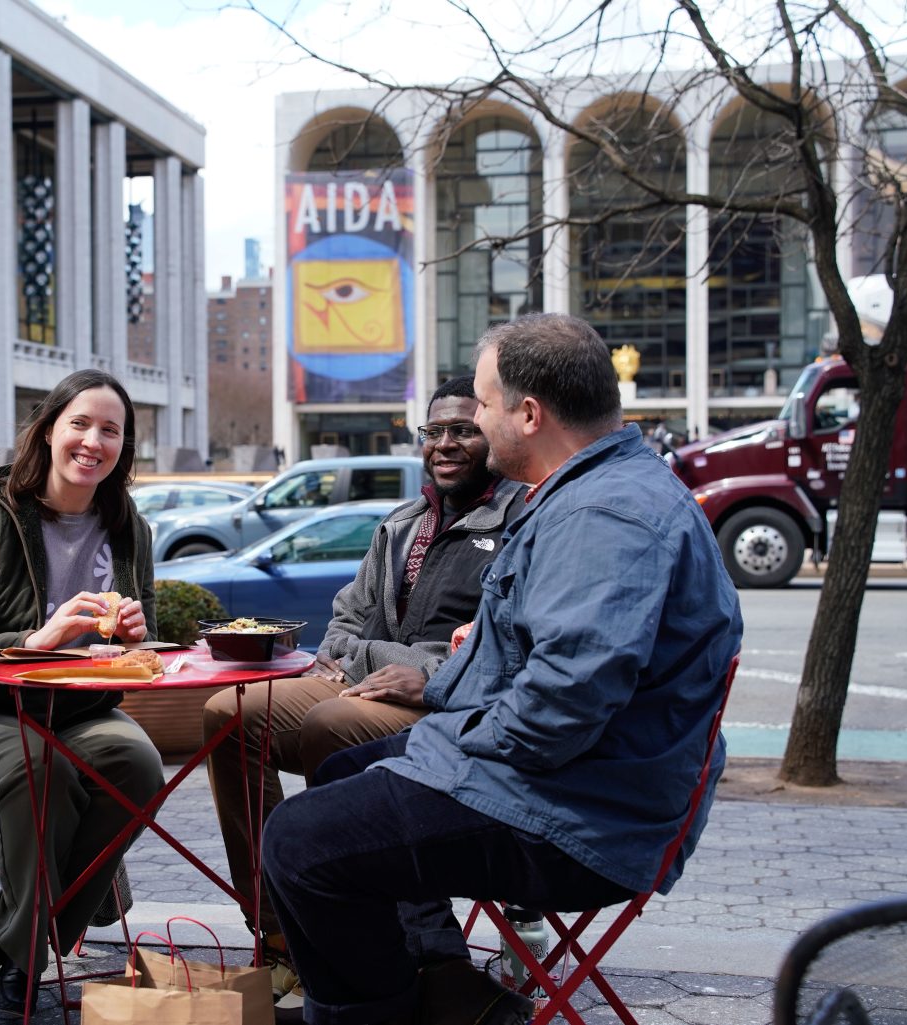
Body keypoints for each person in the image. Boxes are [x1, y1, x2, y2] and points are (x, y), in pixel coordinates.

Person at [260, 314, 744, 1025]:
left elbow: (560, 709)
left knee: (301, 841)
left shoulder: (604, 515)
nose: (475, 421)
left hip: (580, 816)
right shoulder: (590, 491)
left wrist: (448, 743)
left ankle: (369, 1011)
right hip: (581, 780)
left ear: (529, 412)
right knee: (339, 777)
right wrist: (446, 684)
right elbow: (540, 664)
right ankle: (433, 986)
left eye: (483, 404)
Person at [201, 374, 521, 1008]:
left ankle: (372, 933)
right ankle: (278, 926)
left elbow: (490, 648)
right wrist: (351, 657)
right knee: (228, 715)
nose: (446, 443)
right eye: (435, 432)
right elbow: (344, 620)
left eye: (464, 429)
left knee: (330, 726)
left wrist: (398, 666)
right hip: (362, 688)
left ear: (495, 435)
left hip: (446, 701)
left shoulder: (518, 522)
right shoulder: (400, 524)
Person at [0, 368, 164, 1014]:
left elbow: (148, 647)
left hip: (82, 706)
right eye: (80, 423)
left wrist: (139, 633)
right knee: (41, 766)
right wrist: (36, 638)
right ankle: (27, 961)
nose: (93, 440)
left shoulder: (129, 525)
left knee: (139, 765)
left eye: (110, 430)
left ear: (124, 447)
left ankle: (9, 936)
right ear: (50, 430)